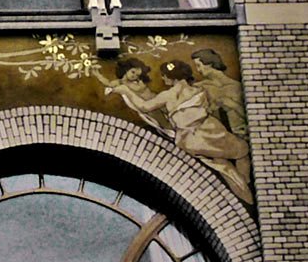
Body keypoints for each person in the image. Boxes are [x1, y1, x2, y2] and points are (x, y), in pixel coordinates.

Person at [106, 59, 253, 204]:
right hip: (209, 131)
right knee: (240, 152)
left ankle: (244, 192)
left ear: (172, 77)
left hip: (193, 138)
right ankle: (246, 187)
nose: (163, 79)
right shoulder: (199, 89)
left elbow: (144, 106)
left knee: (224, 163)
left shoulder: (168, 95)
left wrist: (126, 91)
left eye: (164, 76)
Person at [191, 48, 247, 137]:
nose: (198, 70)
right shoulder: (200, 87)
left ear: (209, 63)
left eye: (199, 65)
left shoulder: (236, 86)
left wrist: (231, 104)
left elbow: (250, 116)